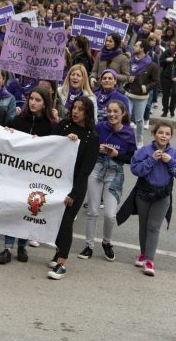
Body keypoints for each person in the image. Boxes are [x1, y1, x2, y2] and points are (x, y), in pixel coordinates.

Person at [0, 86, 57, 264]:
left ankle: (22, 245)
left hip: (35, 176)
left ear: (45, 103)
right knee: (13, 206)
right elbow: (9, 138)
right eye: (31, 99)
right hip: (16, 173)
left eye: (37, 100)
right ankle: (7, 247)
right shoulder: (19, 119)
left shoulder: (51, 125)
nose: (33, 102)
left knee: (27, 208)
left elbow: (56, 148)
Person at [118, 120, 176, 276]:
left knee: (154, 227)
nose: (163, 136)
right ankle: (143, 254)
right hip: (143, 194)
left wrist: (170, 161)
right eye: (160, 132)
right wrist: (151, 159)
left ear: (170, 137)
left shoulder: (175, 153)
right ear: (154, 134)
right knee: (144, 225)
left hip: (163, 196)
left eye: (167, 134)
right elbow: (136, 169)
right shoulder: (145, 151)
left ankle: (149, 260)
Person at [47, 97, 100, 279]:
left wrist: (74, 193)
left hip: (75, 186)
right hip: (56, 182)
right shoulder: (64, 125)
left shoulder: (92, 138)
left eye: (81, 109)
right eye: (74, 108)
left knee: (66, 222)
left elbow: (85, 171)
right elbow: (50, 146)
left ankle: (62, 263)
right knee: (54, 220)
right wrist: (65, 140)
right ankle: (58, 251)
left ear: (87, 113)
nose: (76, 112)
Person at [78, 100, 136, 262]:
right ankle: (89, 246)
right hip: (96, 169)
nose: (112, 114)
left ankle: (106, 242)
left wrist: (116, 155)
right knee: (92, 211)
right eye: (109, 111)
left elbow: (132, 159)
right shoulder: (99, 127)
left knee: (110, 215)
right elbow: (86, 146)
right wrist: (97, 149)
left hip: (114, 173)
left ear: (123, 113)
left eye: (115, 111)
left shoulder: (129, 133)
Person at [126, 40, 160, 146]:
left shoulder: (151, 65)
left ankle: (139, 139)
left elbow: (156, 81)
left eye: (136, 46)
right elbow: (124, 73)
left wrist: (147, 87)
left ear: (142, 49)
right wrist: (127, 78)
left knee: (139, 120)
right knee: (126, 116)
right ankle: (125, 138)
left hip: (141, 97)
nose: (133, 47)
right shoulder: (129, 61)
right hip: (128, 94)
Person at [159, 39, 176, 117]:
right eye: (170, 45)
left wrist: (174, 58)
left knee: (175, 94)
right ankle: (165, 110)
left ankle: (172, 109)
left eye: (173, 45)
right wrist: (166, 60)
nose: (171, 47)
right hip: (166, 75)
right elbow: (160, 62)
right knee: (165, 94)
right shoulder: (166, 52)